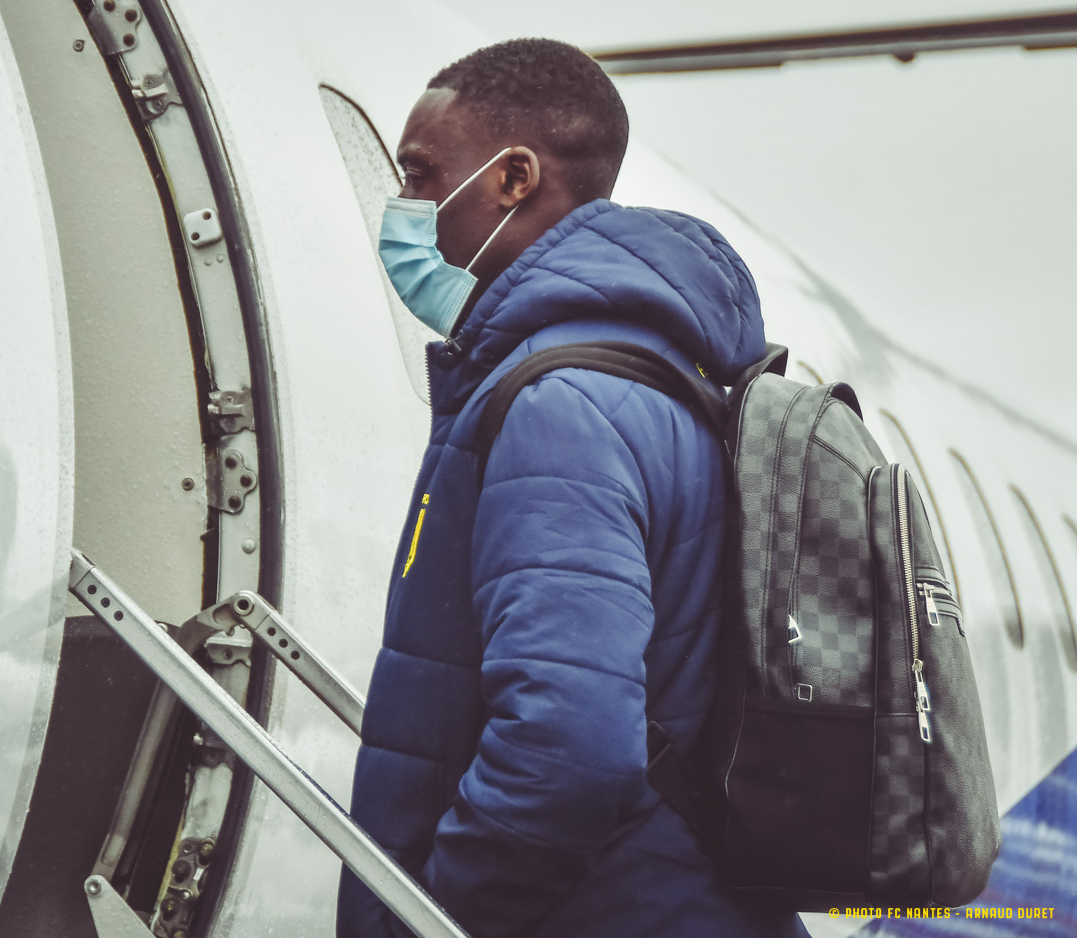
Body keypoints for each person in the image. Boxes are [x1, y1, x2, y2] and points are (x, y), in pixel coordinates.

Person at [337, 39, 809, 938]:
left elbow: (568, 750)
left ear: (513, 177)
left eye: (422, 173)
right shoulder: (672, 378)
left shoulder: (563, 404)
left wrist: (432, 914)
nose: (404, 205)